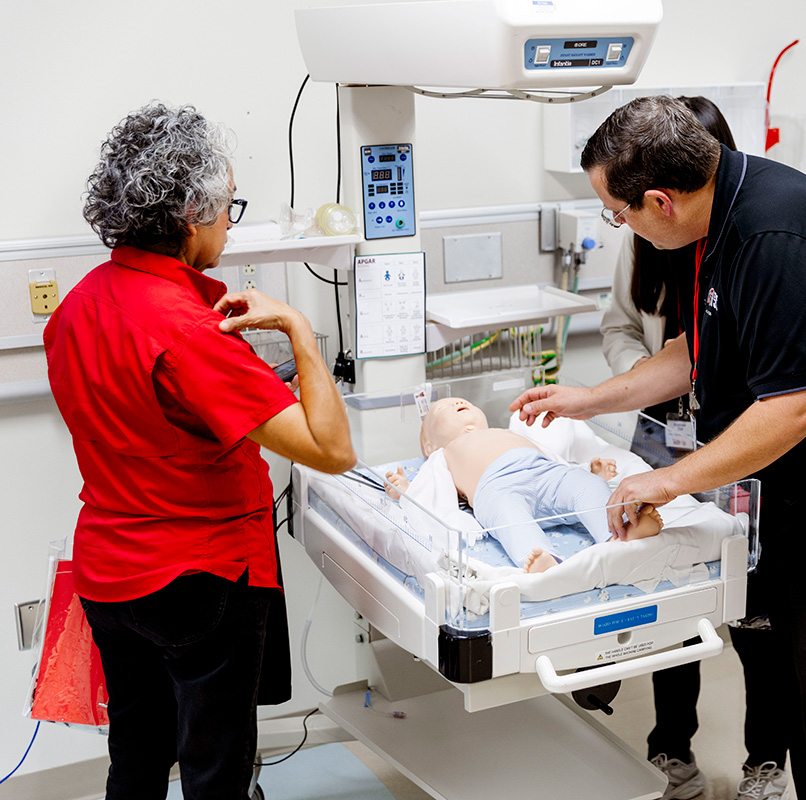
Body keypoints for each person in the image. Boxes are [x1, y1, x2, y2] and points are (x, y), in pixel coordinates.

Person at [511, 95, 806, 800]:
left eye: (618, 215)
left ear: (660, 201)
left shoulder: (773, 236)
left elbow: (799, 406)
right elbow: (697, 350)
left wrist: (669, 481)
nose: (620, 227)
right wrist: (588, 399)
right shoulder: (721, 215)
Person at [44, 102, 356, 800]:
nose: (230, 224)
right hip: (197, 580)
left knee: (137, 755)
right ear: (191, 215)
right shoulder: (187, 331)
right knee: (216, 771)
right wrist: (301, 331)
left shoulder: (77, 307)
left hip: (109, 575)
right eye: (228, 208)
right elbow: (332, 450)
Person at [599, 96, 789, 800]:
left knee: (758, 610)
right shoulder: (642, 236)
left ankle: (765, 762)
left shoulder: (747, 246)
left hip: (736, 440)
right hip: (661, 429)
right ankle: (670, 751)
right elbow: (623, 327)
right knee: (669, 600)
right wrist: (637, 387)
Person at [384, 396, 662, 573]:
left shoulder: (503, 432)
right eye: (441, 409)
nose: (457, 403)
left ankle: (618, 534)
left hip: (542, 471)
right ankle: (542, 560)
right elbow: (432, 489)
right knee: (509, 518)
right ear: (430, 444)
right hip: (495, 487)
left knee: (585, 486)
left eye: (461, 401)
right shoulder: (443, 454)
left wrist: (588, 472)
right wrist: (407, 492)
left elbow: (552, 458)